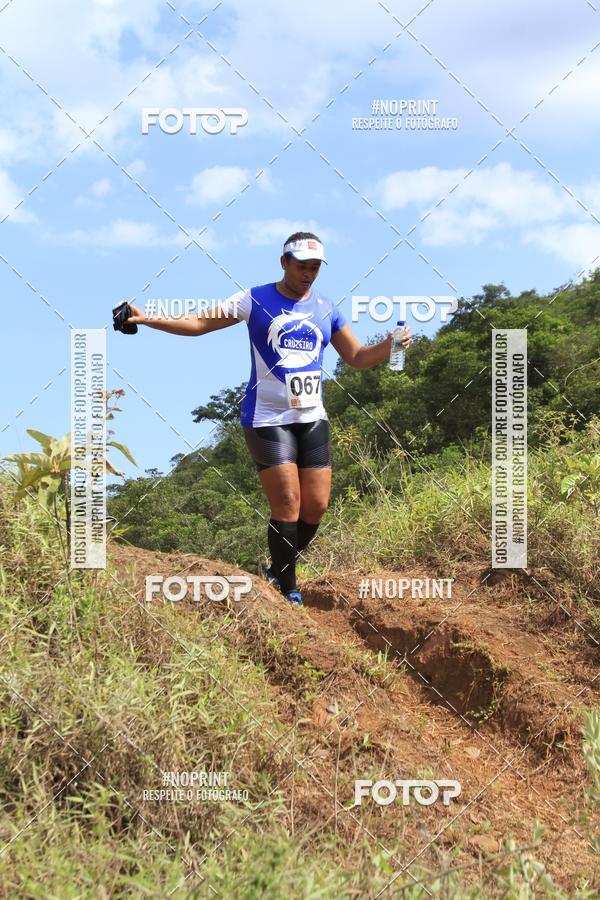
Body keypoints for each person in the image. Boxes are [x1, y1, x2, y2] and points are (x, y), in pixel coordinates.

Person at [125, 232, 411, 607]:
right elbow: (197, 324)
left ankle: (276, 566)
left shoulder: (326, 307)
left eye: (315, 267)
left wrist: (389, 345)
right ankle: (287, 587)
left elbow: (356, 357)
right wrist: (147, 319)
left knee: (317, 505)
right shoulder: (254, 299)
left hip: (311, 417)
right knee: (288, 502)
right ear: (284, 263)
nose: (308, 273)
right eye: (301, 266)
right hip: (266, 417)